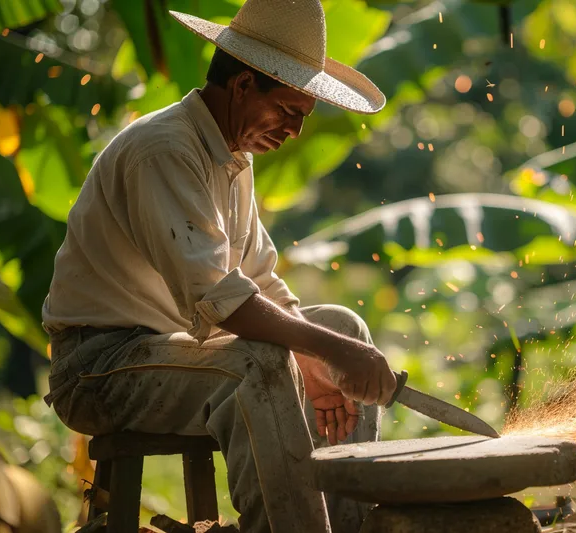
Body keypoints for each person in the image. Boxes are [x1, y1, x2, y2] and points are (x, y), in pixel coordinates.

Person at [41, 0, 397, 531]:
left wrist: (322, 353)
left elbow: (258, 282)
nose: (295, 132)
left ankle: (349, 526)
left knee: (342, 325)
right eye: (288, 112)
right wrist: (328, 353)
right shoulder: (163, 149)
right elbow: (221, 300)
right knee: (264, 358)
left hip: (175, 353)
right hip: (98, 368)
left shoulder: (233, 158)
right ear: (243, 86)